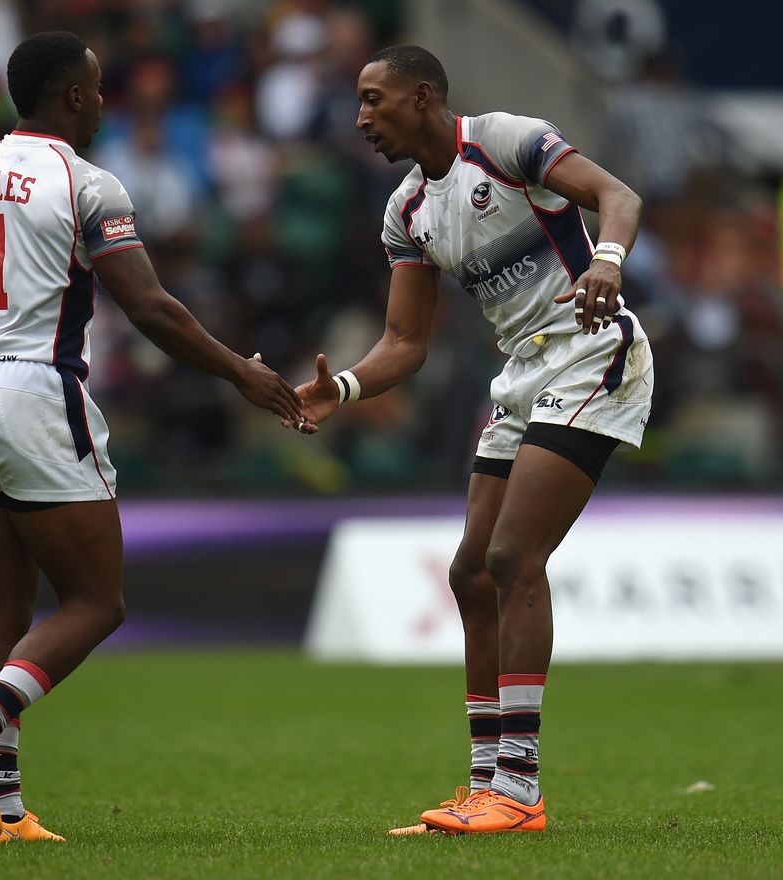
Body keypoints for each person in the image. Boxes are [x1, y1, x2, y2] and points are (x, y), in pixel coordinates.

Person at [0, 30, 303, 843]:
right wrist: (240, 373)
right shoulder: (87, 183)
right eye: (100, 88)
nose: (106, 101)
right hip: (36, 395)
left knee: (2, 606)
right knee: (96, 600)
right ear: (74, 97)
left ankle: (2, 814)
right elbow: (151, 308)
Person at [287, 45, 654, 835]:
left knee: (513, 558)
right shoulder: (407, 209)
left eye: (373, 99)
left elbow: (616, 194)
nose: (361, 117)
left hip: (590, 350)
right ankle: (487, 780)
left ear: (422, 96)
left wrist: (610, 262)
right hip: (523, 374)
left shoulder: (507, 139)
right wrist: (343, 387)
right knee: (469, 573)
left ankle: (520, 791)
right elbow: (404, 343)